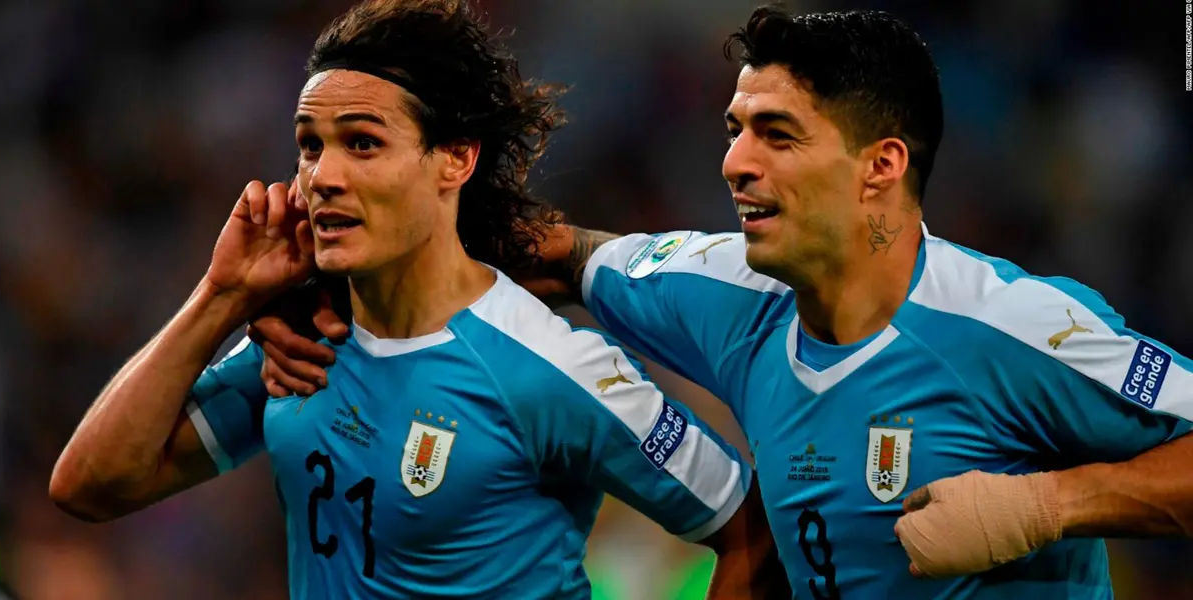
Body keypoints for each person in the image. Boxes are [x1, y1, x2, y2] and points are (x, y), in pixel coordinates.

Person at [254, 6, 1193, 599]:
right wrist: (309, 292)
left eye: (777, 135)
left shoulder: (1007, 328)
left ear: (881, 167)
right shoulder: (717, 289)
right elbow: (527, 250)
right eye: (736, 128)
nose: (734, 162)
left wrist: (1047, 505)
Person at [48, 1, 787, 598]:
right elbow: (90, 485)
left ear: (455, 159)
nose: (323, 176)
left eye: (362, 143)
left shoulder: (546, 366)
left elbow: (745, 527)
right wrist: (222, 295)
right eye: (310, 145)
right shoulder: (302, 343)